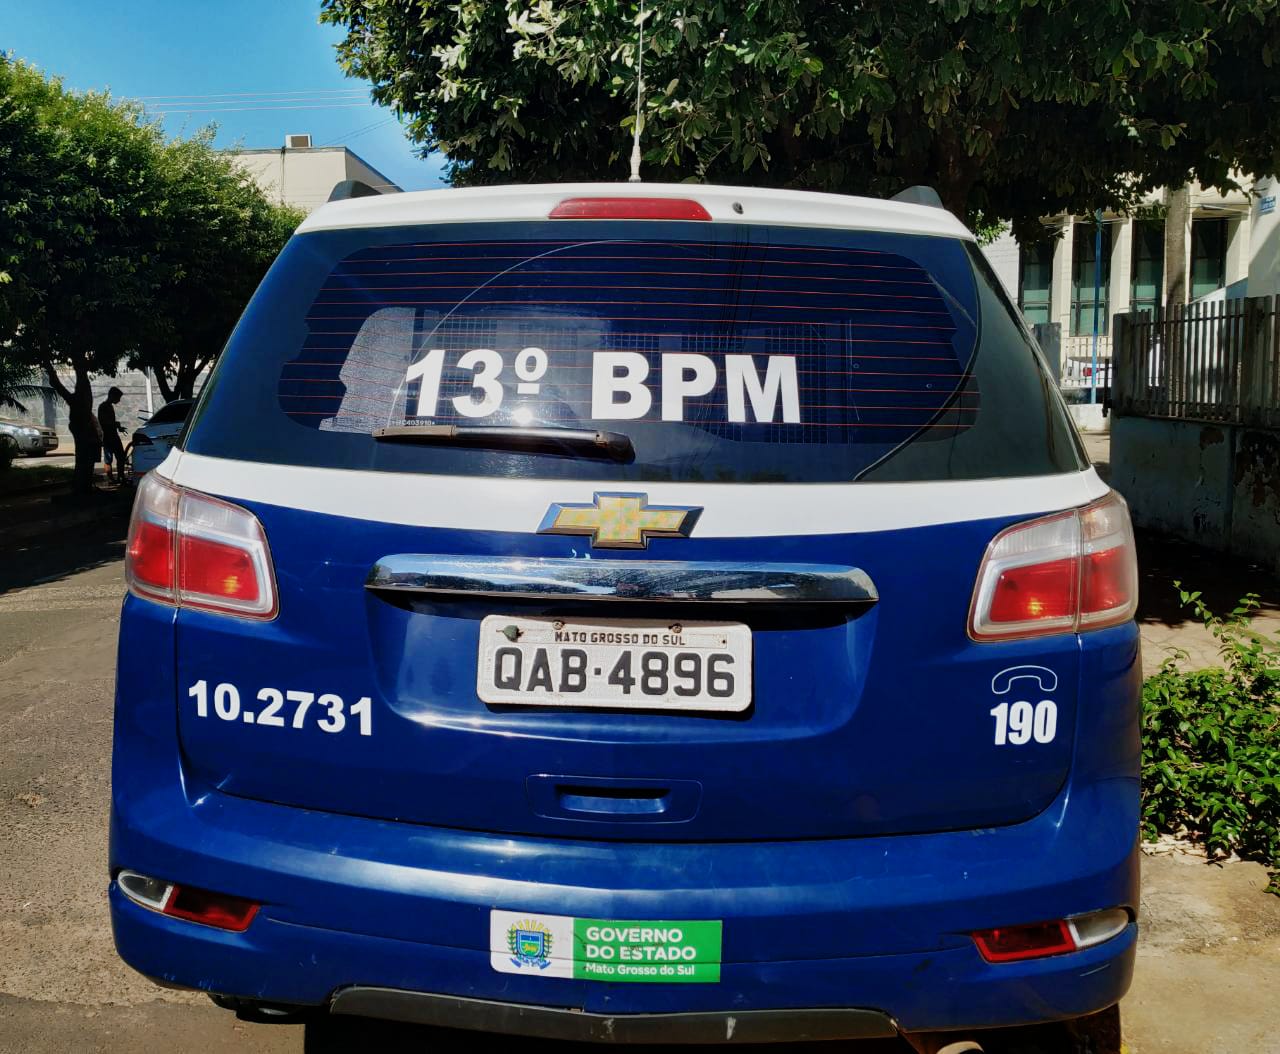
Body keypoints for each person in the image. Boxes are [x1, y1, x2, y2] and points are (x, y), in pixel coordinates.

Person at [98, 387, 127, 485]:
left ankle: (120, 477)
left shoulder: (109, 406)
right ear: (112, 396)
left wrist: (118, 427)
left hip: (114, 435)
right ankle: (111, 479)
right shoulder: (103, 407)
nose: (119, 400)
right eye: (118, 398)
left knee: (121, 457)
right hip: (107, 437)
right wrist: (116, 424)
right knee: (108, 459)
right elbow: (104, 423)